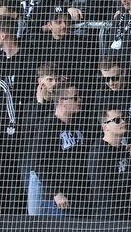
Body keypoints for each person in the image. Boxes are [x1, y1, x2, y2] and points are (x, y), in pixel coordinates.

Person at [28, 84, 91, 216]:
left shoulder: (79, 124)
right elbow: (38, 163)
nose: (79, 100)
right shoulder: (48, 126)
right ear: (61, 101)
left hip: (78, 196)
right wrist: (55, 192)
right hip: (58, 201)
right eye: (75, 98)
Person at [88, 106, 131, 220]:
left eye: (123, 118)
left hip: (128, 213)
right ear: (105, 126)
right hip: (110, 218)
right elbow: (102, 192)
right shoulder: (99, 151)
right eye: (117, 120)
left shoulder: (123, 149)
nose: (123, 122)